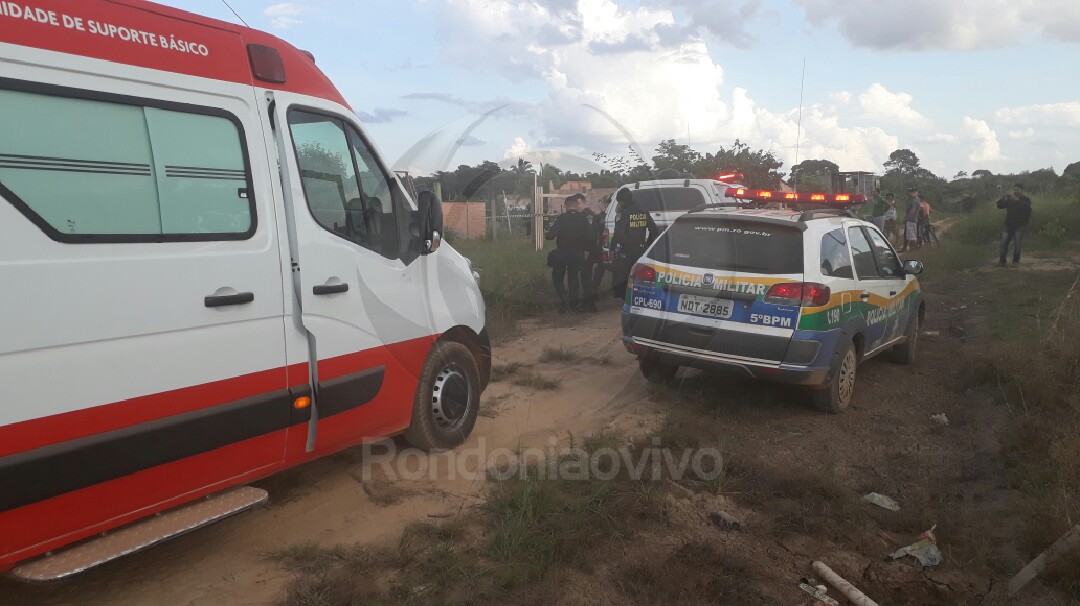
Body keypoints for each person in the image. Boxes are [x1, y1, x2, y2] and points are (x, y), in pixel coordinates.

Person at [609, 188, 659, 300]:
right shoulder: (643, 212)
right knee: (639, 274)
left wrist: (612, 249)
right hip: (641, 249)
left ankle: (624, 298)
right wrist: (648, 244)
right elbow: (654, 229)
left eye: (619, 201)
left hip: (626, 250)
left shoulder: (624, 213)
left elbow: (619, 233)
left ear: (623, 201)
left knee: (623, 275)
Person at [546, 195, 590, 312]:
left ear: (565, 206)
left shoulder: (560, 218)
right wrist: (585, 249)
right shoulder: (583, 219)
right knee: (573, 278)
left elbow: (549, 236)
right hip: (577, 253)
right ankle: (574, 305)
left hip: (562, 253)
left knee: (557, 277)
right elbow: (591, 236)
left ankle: (564, 298)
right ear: (576, 205)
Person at [578, 194, 604, 312]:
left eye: (579, 203)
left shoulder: (586, 216)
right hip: (595, 249)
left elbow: (592, 235)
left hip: (589, 251)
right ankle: (591, 299)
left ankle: (589, 303)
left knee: (586, 277)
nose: (577, 206)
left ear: (584, 203)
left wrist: (587, 250)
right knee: (589, 276)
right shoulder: (593, 215)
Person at [997, 182, 1033, 266]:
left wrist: (1016, 200)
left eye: (1018, 189)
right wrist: (1002, 199)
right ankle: (1002, 261)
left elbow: (1026, 208)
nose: (1016, 191)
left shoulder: (1026, 199)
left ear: (1022, 190)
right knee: (1003, 243)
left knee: (1017, 244)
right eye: (1015, 189)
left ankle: (1015, 261)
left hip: (1019, 225)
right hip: (1008, 224)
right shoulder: (1010, 198)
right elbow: (999, 206)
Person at [902, 187, 921, 252]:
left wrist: (907, 218)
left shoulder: (914, 200)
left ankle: (913, 250)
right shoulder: (915, 199)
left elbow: (912, 211)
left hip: (911, 220)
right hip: (911, 220)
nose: (908, 194)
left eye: (909, 193)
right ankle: (905, 248)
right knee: (906, 235)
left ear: (913, 193)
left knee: (912, 237)